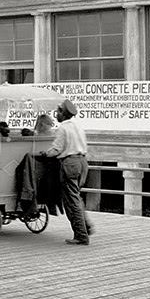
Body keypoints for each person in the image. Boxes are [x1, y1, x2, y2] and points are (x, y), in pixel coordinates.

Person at [38, 99, 91, 246]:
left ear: (63, 113)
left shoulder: (63, 128)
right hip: (82, 162)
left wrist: (44, 154)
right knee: (76, 197)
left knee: (71, 201)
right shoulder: (78, 126)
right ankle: (86, 227)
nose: (56, 114)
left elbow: (56, 149)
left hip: (70, 163)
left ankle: (81, 235)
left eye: (58, 111)